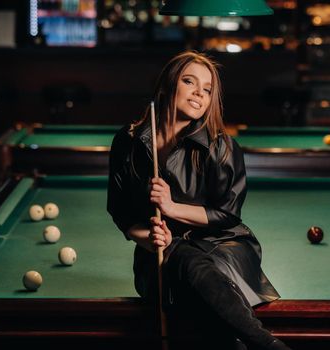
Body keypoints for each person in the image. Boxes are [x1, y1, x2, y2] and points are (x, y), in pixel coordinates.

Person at [107, 51, 290, 350]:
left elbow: (228, 215)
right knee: (182, 256)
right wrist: (151, 240)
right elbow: (121, 213)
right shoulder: (128, 143)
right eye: (189, 82)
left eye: (207, 89)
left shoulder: (222, 146)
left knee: (195, 267)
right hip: (162, 254)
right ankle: (267, 345)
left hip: (224, 245)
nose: (198, 94)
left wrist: (171, 207)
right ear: (168, 84)